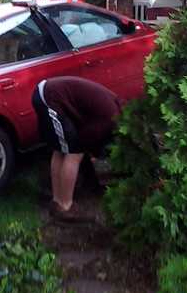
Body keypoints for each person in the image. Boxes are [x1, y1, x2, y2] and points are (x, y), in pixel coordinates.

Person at [31, 76, 122, 222]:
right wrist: (92, 152)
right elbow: (86, 137)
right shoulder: (112, 117)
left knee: (60, 149)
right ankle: (65, 206)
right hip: (51, 98)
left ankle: (57, 201)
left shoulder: (115, 105)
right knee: (74, 152)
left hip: (44, 92)